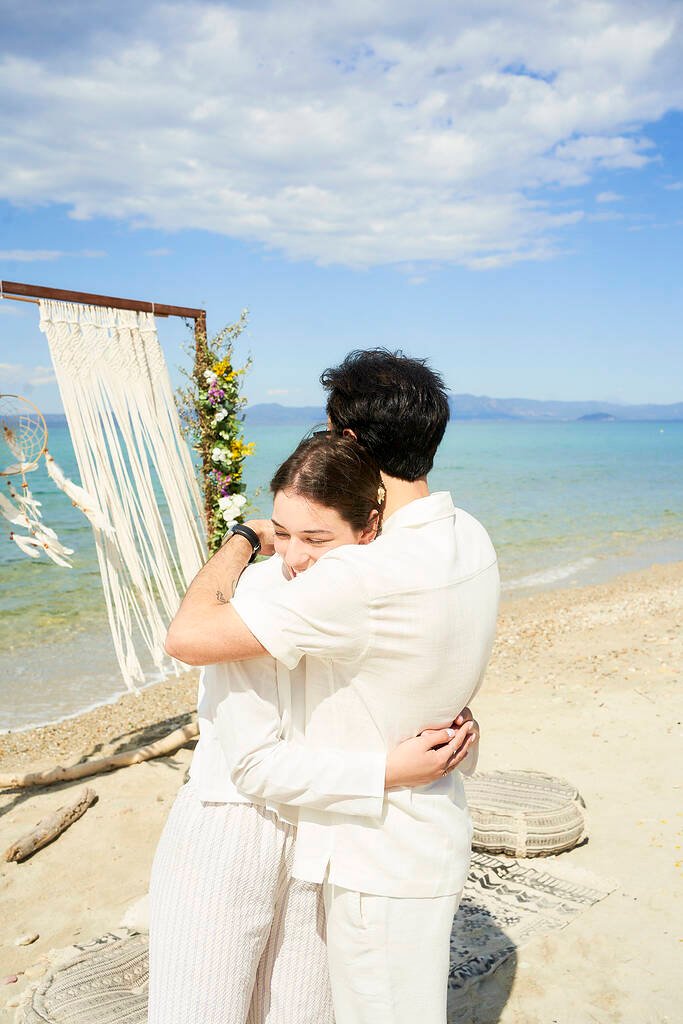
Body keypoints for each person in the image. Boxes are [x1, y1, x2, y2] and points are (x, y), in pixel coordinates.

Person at [166, 348, 499, 1024]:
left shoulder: (358, 578)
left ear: (345, 440)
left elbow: (188, 637)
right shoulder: (468, 536)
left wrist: (245, 539)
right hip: (431, 828)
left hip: (376, 853)